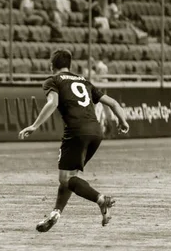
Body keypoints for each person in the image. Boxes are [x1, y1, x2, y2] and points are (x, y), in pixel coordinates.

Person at [18, 49, 129, 232]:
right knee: (69, 177)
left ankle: (101, 199)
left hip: (76, 132)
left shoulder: (52, 80)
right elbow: (114, 103)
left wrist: (34, 126)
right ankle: (56, 213)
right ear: (70, 66)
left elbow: (52, 103)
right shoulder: (84, 82)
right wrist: (123, 121)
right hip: (96, 132)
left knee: (66, 178)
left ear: (51, 65)